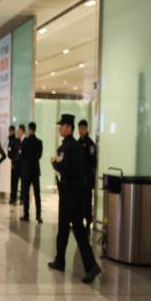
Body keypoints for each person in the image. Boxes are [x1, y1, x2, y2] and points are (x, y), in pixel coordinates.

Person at [49, 114, 101, 284]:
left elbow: (63, 168)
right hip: (77, 192)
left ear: (69, 128)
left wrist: (54, 162)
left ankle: (91, 266)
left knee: (76, 229)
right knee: (66, 228)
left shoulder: (67, 147)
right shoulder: (76, 145)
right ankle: (60, 260)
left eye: (62, 126)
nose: (60, 128)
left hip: (70, 194)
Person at [20, 122, 43, 223]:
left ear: (29, 129)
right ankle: (38, 216)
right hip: (35, 171)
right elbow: (39, 156)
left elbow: (22, 155)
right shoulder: (39, 142)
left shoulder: (25, 141)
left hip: (26, 171)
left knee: (26, 194)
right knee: (37, 194)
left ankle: (26, 215)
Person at [78, 119, 96, 234]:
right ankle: (79, 223)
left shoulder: (90, 144)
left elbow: (93, 162)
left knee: (87, 202)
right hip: (78, 178)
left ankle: (88, 224)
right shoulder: (77, 142)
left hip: (87, 179)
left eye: (82, 128)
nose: (80, 130)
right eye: (79, 128)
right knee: (79, 202)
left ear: (86, 129)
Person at [7, 125, 19, 204]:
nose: (10, 132)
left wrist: (13, 163)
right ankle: (12, 197)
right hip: (11, 164)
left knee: (14, 182)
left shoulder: (15, 140)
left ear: (13, 131)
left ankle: (14, 198)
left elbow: (15, 154)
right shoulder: (10, 140)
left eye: (11, 131)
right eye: (9, 131)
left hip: (14, 165)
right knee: (12, 182)